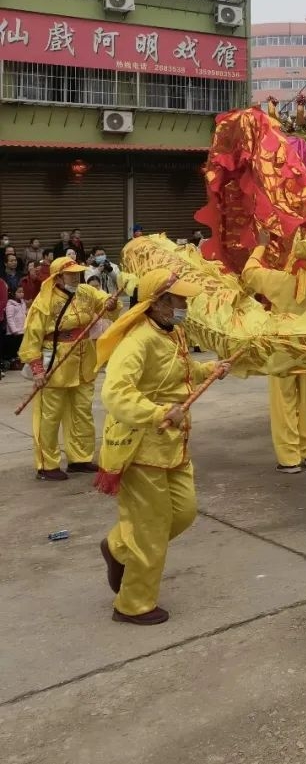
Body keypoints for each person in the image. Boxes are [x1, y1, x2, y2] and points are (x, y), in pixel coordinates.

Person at [94, 269, 231, 626]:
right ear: (157, 303)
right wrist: (156, 413)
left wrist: (212, 368)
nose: (185, 305)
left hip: (174, 442)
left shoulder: (175, 332)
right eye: (179, 299)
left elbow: (182, 372)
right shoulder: (137, 341)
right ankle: (133, 604)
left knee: (183, 513)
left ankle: (118, 547)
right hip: (140, 446)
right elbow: (115, 393)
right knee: (151, 528)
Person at [20, 258, 119, 480]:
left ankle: (80, 458)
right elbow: (32, 335)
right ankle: (47, 464)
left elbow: (106, 304)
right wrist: (37, 369)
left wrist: (111, 303)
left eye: (77, 274)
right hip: (55, 361)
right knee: (49, 415)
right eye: (70, 275)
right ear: (58, 277)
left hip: (84, 360)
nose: (75, 277)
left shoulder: (86, 291)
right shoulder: (44, 301)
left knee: (82, 411)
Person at [242, 234, 306, 474]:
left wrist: (261, 245)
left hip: (282, 350)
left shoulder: (278, 280)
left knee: (284, 404)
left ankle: (289, 458)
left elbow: (248, 273)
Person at [4, 284, 27, 368]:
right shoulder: (10, 305)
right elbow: (9, 319)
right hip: (14, 333)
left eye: (22, 292)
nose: (22, 293)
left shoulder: (23, 303)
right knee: (14, 349)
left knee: (20, 349)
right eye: (19, 292)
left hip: (22, 330)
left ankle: (20, 363)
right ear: (14, 293)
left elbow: (24, 315)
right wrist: (14, 330)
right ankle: (13, 364)